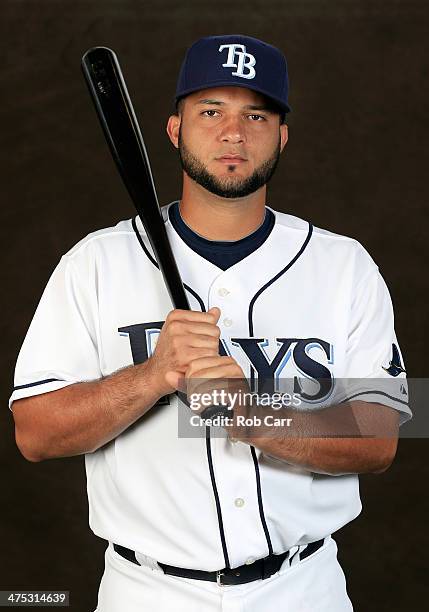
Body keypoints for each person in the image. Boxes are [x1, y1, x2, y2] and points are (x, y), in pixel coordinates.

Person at [10, 34, 411, 611]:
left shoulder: (343, 264)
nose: (233, 132)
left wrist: (255, 416)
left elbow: (380, 437)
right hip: (147, 592)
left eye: (256, 114)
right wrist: (154, 375)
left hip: (304, 590)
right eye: (210, 111)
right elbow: (35, 433)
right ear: (175, 130)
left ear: (282, 136)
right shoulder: (97, 263)